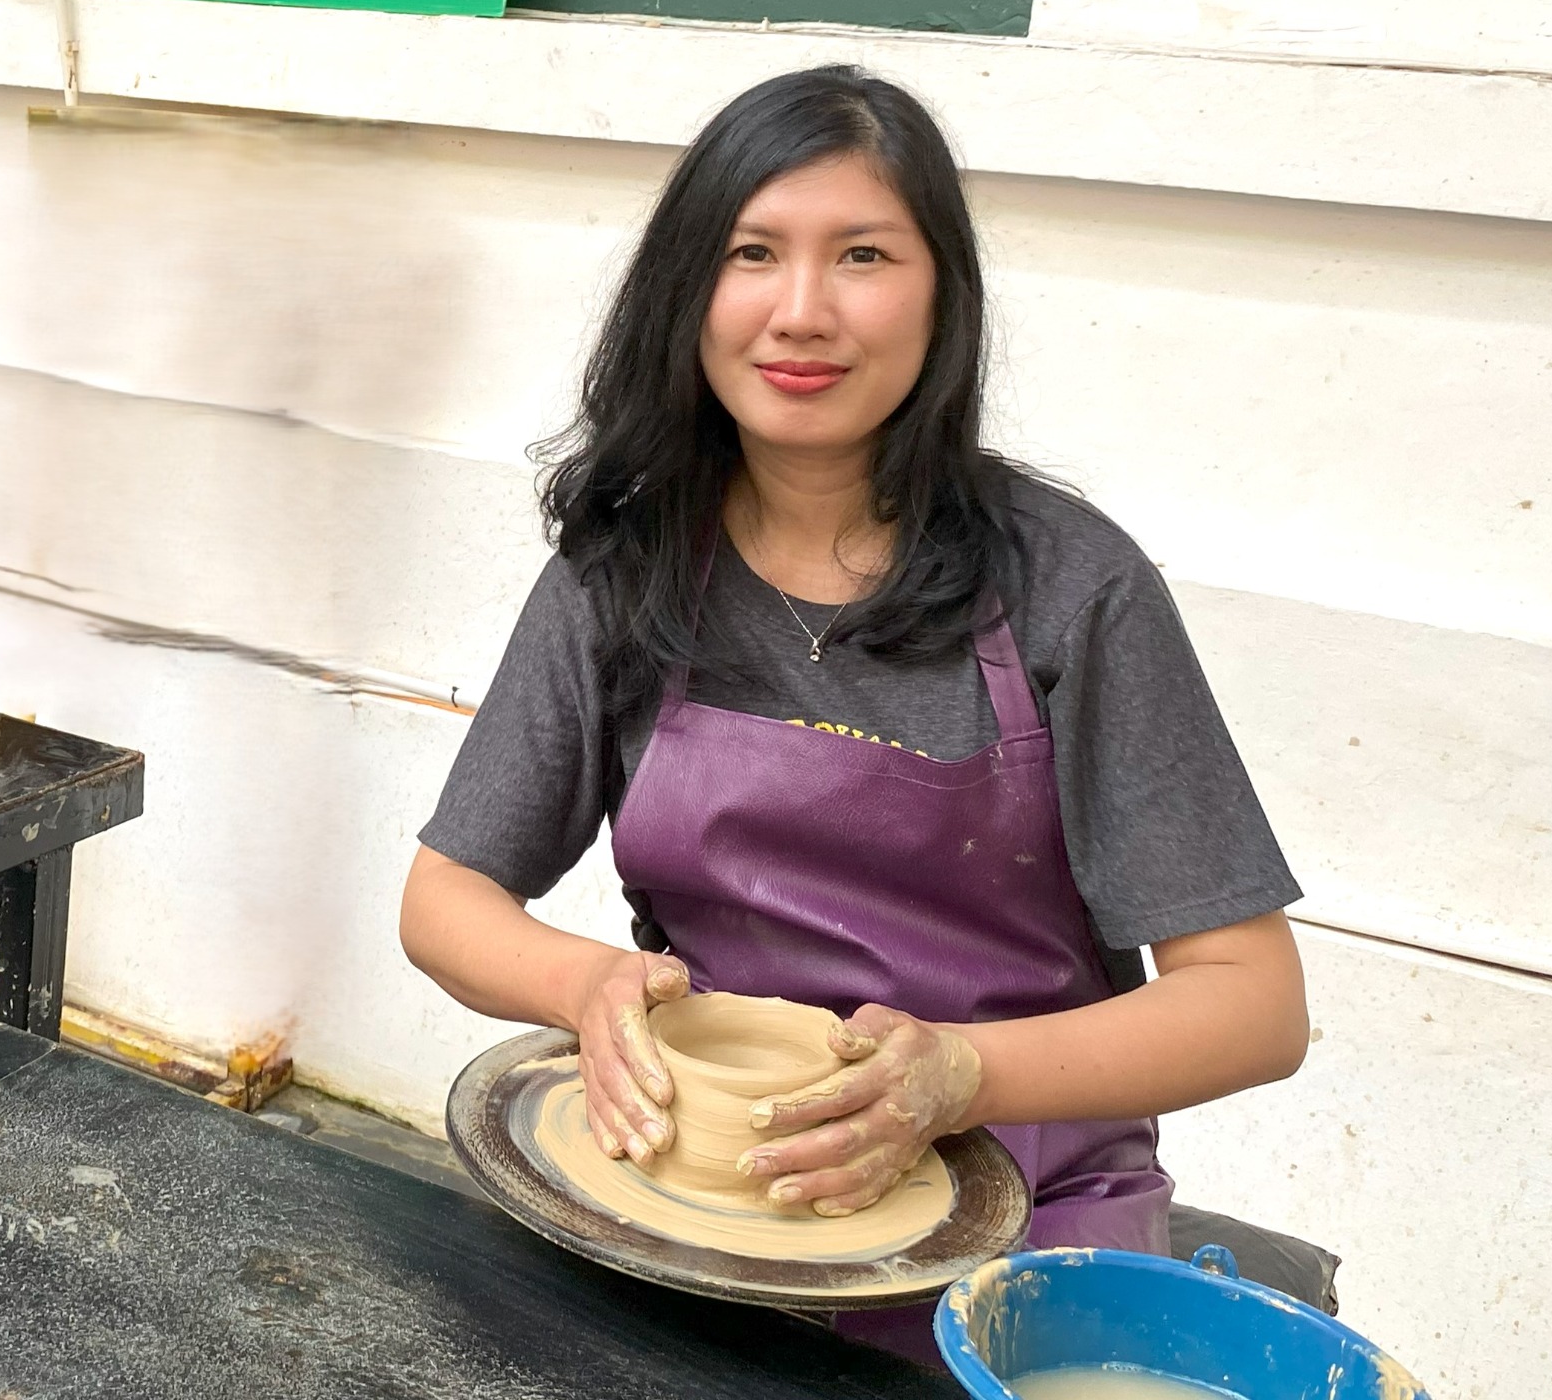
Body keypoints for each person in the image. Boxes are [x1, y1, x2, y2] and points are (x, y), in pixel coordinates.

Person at [398, 66, 1310, 1366]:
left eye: (864, 254)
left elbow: (1252, 1004)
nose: (802, 311)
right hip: (701, 1213)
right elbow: (443, 902)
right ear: (684, 293)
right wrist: (589, 984)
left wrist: (964, 1076)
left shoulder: (1069, 586)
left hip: (1021, 1232)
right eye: (752, 253)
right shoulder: (623, 574)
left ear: (941, 295)